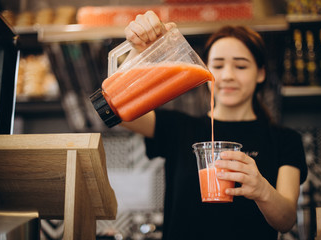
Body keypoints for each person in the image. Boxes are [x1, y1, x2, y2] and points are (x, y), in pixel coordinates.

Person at [120, 11, 308, 240]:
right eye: (217, 66)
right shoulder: (179, 128)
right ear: (206, 72)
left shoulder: (284, 140)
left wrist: (262, 190)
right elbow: (118, 111)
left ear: (260, 74)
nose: (227, 76)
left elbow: (286, 220)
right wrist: (140, 53)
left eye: (240, 66)